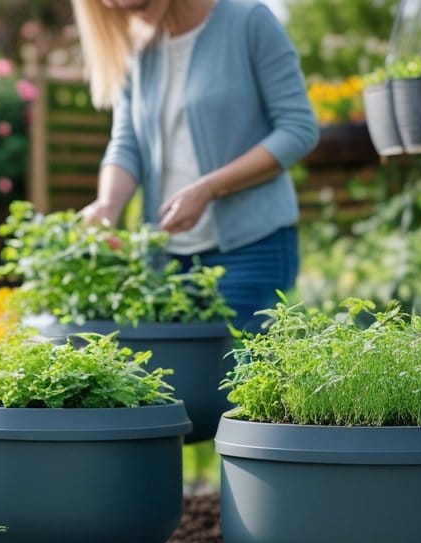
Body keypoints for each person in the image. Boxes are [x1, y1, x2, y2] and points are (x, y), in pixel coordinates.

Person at [74, 0, 318, 329]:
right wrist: (107, 205)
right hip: (166, 260)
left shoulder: (249, 21)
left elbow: (297, 130)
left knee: (245, 376)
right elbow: (127, 142)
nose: (121, 10)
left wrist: (208, 189)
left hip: (251, 249)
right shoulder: (140, 47)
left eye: (136, 4)